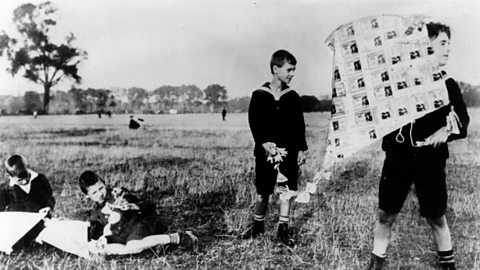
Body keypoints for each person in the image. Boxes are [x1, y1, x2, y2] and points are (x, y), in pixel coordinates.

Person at [365, 22, 470, 270]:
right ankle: (375, 263)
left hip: (430, 160)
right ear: (425, 45)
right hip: (398, 158)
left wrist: (446, 130)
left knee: (436, 216)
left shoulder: (447, 84)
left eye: (449, 44)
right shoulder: (398, 81)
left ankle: (447, 265)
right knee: (385, 214)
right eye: (442, 43)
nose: (448, 49)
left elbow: (463, 121)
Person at [240, 50, 308, 247]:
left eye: (294, 70)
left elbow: (299, 124)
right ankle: (258, 225)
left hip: (289, 151)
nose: (292, 74)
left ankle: (283, 229)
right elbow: (255, 122)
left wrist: (301, 149)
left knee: (286, 190)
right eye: (289, 69)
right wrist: (262, 143)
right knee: (263, 191)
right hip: (266, 152)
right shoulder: (259, 95)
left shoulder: (292, 96)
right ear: (275, 69)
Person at [78, 171, 198, 255]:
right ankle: (159, 244)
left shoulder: (118, 194)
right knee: (122, 245)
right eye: (94, 193)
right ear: (87, 196)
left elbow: (150, 205)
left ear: (104, 183)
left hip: (143, 220)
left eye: (101, 188)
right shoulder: (96, 213)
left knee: (133, 246)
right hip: (128, 233)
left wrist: (132, 206)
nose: (100, 194)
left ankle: (179, 238)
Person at [0, 154, 55, 250]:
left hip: (39, 222)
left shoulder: (40, 180)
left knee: (50, 236)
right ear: (9, 176)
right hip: (18, 227)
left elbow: (49, 198)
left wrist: (48, 207)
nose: (25, 181)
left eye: (27, 176)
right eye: (20, 180)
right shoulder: (6, 189)